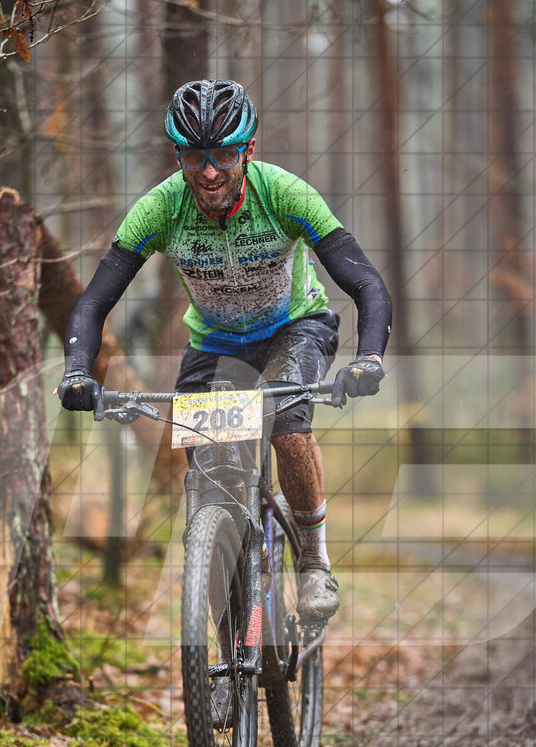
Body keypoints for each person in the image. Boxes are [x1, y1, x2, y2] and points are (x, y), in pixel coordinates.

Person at [58, 79, 392, 622]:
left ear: (248, 150)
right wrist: (77, 372)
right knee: (210, 474)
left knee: (288, 425)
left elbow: (367, 284)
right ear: (179, 155)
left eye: (223, 154)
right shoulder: (160, 209)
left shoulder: (285, 194)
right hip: (213, 345)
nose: (209, 171)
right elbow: (95, 301)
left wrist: (369, 357)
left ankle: (312, 560)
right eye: (193, 156)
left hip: (295, 327)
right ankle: (226, 597)